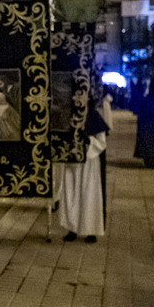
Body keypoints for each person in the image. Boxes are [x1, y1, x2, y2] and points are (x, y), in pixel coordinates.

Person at [61, 103, 108, 243]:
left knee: (90, 195)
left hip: (89, 161)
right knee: (71, 194)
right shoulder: (68, 114)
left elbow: (102, 142)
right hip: (72, 161)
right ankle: (72, 228)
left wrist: (89, 140)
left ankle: (90, 231)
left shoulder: (94, 116)